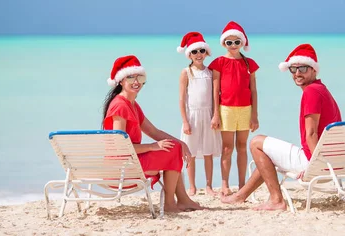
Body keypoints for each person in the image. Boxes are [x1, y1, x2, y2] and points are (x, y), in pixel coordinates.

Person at [220, 43, 342, 211]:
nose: (297, 73)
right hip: (332, 162)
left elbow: (311, 134)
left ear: (314, 70)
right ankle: (240, 196)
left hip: (317, 164)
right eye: (293, 69)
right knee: (268, 152)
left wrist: (316, 167)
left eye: (303, 68)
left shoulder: (311, 92)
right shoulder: (322, 90)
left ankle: (276, 200)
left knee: (256, 142)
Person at [102, 55, 204, 212]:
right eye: (130, 77)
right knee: (172, 150)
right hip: (122, 167)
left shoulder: (132, 105)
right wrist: (152, 147)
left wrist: (181, 143)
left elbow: (154, 131)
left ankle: (182, 200)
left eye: (139, 77)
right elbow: (120, 146)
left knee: (174, 147)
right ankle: (172, 203)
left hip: (131, 161)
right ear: (121, 81)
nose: (136, 82)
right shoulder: (120, 106)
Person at [208, 21, 260, 196]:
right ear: (224, 43)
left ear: (242, 43)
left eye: (236, 42)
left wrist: (255, 115)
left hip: (245, 109)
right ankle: (224, 184)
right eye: (229, 42)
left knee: (242, 146)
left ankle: (242, 183)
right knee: (227, 148)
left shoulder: (249, 63)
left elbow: (253, 90)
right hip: (226, 109)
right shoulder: (219, 62)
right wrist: (216, 114)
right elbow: (215, 91)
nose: (233, 46)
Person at [176, 32, 222, 196]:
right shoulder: (186, 72)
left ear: (206, 52)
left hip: (208, 115)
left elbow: (215, 96)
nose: (198, 55)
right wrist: (185, 121)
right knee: (191, 152)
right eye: (195, 52)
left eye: (201, 51)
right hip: (192, 116)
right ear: (189, 54)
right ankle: (192, 186)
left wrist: (216, 115)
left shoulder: (211, 72)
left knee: (208, 151)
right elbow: (182, 99)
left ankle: (209, 186)